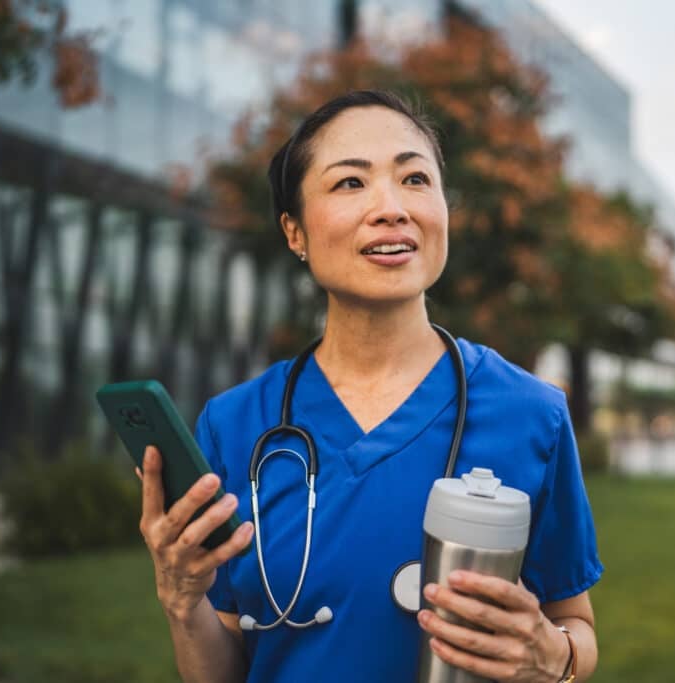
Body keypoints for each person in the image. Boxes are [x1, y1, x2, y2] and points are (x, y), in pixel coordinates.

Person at [135, 90, 603, 682]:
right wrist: (183, 605)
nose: (392, 207)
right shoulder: (233, 428)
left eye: (414, 178)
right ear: (294, 232)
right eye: (350, 184)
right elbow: (228, 668)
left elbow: (575, 623)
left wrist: (552, 656)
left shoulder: (533, 415)